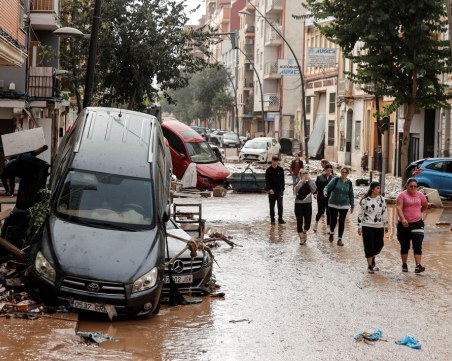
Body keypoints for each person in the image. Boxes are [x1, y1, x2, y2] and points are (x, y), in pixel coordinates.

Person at [396, 178, 428, 273]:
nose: (413, 188)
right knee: (405, 245)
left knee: (417, 244)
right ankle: (404, 264)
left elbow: (425, 205)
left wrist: (419, 212)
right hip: (404, 224)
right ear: (407, 186)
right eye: (411, 186)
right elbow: (399, 208)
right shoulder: (401, 195)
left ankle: (418, 265)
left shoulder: (420, 195)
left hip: (417, 223)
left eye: (415, 186)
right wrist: (403, 219)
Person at [357, 181, 389, 273]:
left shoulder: (382, 199)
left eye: (379, 188)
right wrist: (359, 227)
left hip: (379, 226)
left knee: (379, 245)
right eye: (377, 188)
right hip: (367, 225)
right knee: (368, 245)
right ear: (372, 189)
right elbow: (360, 214)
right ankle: (370, 266)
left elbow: (385, 212)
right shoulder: (365, 200)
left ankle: (372, 258)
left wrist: (386, 225)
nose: (379, 190)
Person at [323, 166, 354, 246]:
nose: (343, 173)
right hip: (333, 203)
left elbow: (351, 195)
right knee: (333, 220)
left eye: (345, 172)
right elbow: (327, 187)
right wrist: (325, 191)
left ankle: (340, 239)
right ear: (341, 173)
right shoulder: (336, 180)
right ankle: (332, 233)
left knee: (341, 221)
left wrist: (352, 205)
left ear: (347, 173)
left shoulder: (349, 183)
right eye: (342, 172)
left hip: (344, 204)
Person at [294, 169, 316, 244]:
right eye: (302, 174)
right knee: (299, 221)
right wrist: (302, 181)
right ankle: (301, 239)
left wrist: (309, 180)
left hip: (308, 204)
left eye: (305, 173)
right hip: (298, 204)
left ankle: (304, 231)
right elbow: (295, 190)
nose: (304, 175)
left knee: (308, 223)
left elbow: (314, 189)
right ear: (300, 175)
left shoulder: (309, 183)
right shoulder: (297, 182)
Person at [313, 163, 334, 232]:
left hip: (330, 198)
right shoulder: (320, 177)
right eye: (327, 170)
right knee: (320, 211)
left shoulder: (333, 178)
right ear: (325, 170)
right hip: (321, 197)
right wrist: (315, 193)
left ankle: (328, 226)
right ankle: (316, 223)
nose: (329, 172)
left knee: (329, 212)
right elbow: (316, 186)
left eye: (330, 170)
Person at [265, 155, 285, 224]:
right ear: (272, 161)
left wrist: (283, 189)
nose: (275, 163)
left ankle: (280, 219)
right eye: (274, 161)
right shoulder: (268, 170)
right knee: (272, 206)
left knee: (280, 205)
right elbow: (267, 181)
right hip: (272, 191)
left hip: (279, 190)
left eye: (276, 161)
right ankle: (272, 220)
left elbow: (282, 180)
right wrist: (269, 189)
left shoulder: (280, 169)